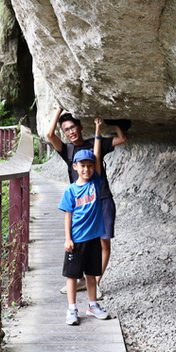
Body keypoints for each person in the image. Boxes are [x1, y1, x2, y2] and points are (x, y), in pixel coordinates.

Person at [46, 103, 128, 298]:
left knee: (104, 242)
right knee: (80, 242)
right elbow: (49, 135)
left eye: (73, 127)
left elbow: (122, 139)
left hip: (102, 198)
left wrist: (114, 123)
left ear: (80, 127)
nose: (71, 132)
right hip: (81, 204)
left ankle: (96, 282)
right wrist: (58, 110)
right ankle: (81, 280)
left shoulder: (94, 143)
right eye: (66, 130)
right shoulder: (67, 150)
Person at [58, 118, 111, 325]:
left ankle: (92, 305)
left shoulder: (96, 183)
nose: (87, 169)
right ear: (75, 167)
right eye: (82, 166)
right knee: (72, 276)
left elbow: (97, 156)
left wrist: (98, 131)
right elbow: (68, 215)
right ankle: (72, 309)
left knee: (91, 274)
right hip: (77, 240)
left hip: (94, 238)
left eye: (90, 166)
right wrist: (67, 239)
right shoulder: (71, 190)